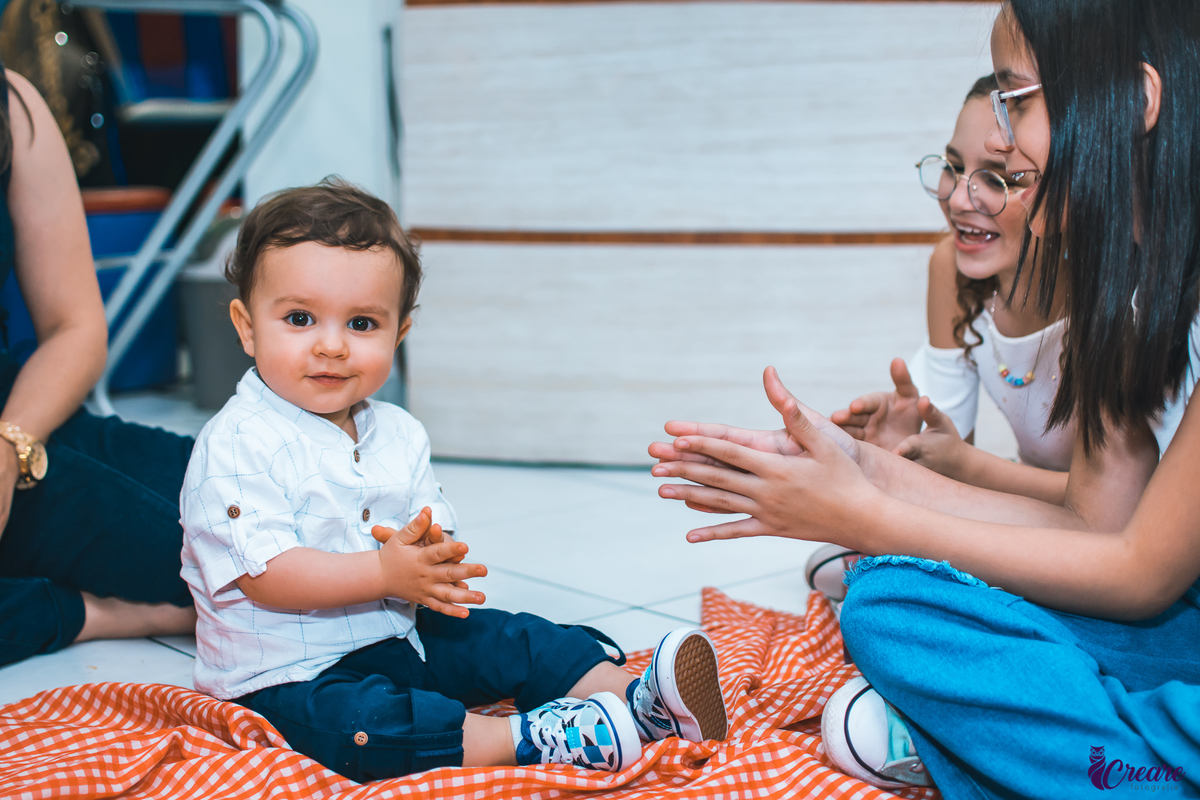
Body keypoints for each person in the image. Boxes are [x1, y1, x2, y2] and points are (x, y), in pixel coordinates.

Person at [648, 0, 1200, 795]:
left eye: (1018, 100)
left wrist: (865, 512)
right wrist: (864, 469)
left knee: (896, 584)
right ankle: (1083, 741)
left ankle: (1098, 761)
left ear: (1137, 98)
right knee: (888, 602)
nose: (1001, 143)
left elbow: (1139, 572)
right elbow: (1102, 521)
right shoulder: (1138, 277)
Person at [180, 180, 728, 783]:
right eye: (300, 318)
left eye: (362, 323)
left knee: (511, 637)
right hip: (289, 676)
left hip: (399, 635)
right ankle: (522, 739)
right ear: (247, 326)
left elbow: (428, 527)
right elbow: (266, 576)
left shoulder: (398, 431)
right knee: (367, 725)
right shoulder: (237, 443)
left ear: (399, 335)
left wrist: (432, 557)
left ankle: (641, 701)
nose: (331, 346)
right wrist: (385, 573)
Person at [810, 74, 1068, 600]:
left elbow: (1124, 510)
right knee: (839, 564)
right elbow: (949, 480)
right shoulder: (952, 267)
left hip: (1123, 530)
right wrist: (909, 446)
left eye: (996, 177)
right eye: (953, 167)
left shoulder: (1108, 298)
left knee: (882, 591)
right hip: (1033, 507)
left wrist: (966, 467)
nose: (957, 198)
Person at [0, 67, 197, 668]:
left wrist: (10, 449)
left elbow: (75, 328)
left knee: (270, 516)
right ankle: (97, 612)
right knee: (238, 581)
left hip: (20, 412)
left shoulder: (12, 104)